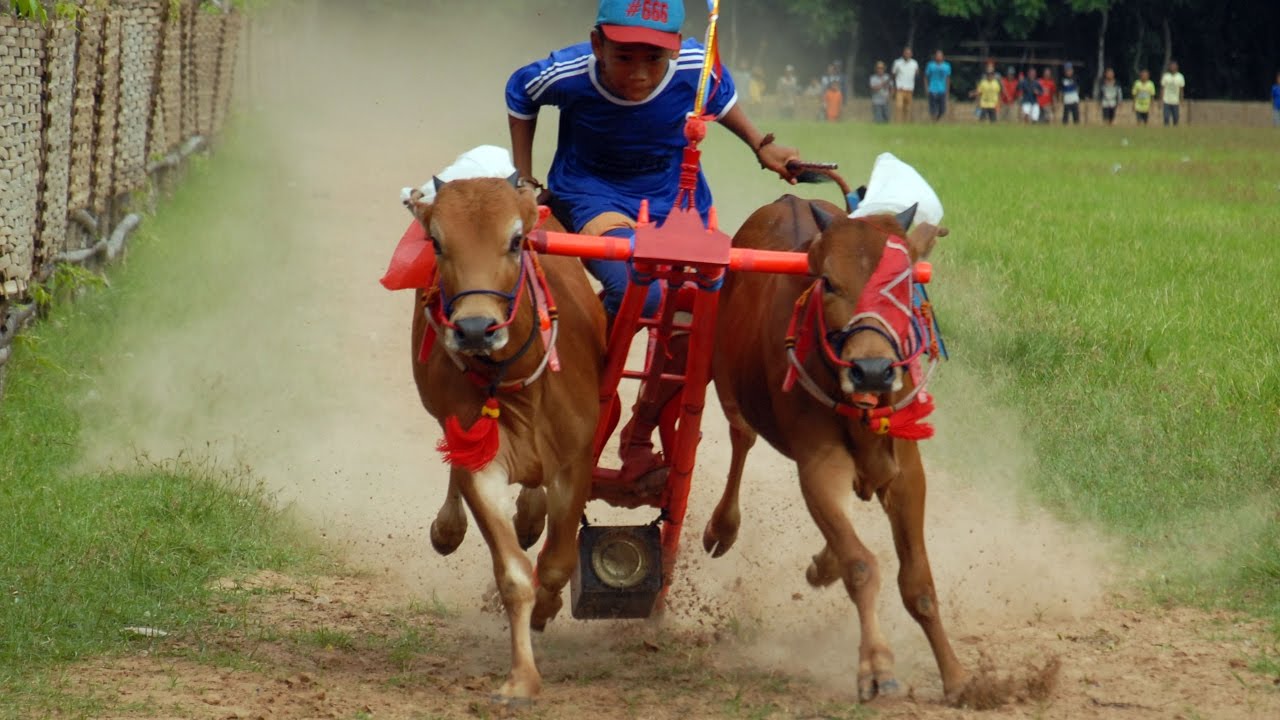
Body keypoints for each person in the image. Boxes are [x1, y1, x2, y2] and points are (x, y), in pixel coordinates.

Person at [506, 0, 800, 482]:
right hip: (592, 192)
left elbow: (720, 98)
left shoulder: (692, 66)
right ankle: (579, 384)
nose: (640, 73)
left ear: (677, 48)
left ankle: (641, 428)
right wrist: (523, 174)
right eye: (624, 58)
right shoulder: (567, 72)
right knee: (642, 288)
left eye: (653, 59)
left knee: (701, 310)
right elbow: (519, 90)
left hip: (675, 198)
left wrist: (761, 147)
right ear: (598, 43)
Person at [891, 46, 918, 123]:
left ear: (911, 54)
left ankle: (906, 123)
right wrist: (894, 86)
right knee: (899, 107)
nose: (907, 55)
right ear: (903, 54)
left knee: (908, 108)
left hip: (910, 89)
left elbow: (916, 74)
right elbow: (893, 75)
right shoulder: (897, 62)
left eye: (909, 53)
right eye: (906, 53)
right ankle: (898, 123)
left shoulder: (914, 63)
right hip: (900, 88)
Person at [925, 49, 951, 121]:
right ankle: (933, 121)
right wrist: (927, 88)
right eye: (937, 56)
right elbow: (926, 77)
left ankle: (936, 120)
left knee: (942, 110)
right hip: (932, 89)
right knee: (932, 108)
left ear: (943, 57)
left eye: (940, 56)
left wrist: (947, 90)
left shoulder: (947, 66)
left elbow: (948, 79)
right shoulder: (930, 65)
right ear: (935, 57)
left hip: (942, 90)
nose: (938, 57)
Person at [1161, 60, 1185, 126]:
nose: (1172, 67)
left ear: (1177, 67)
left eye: (1174, 66)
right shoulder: (1166, 76)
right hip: (1166, 101)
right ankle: (1166, 129)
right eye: (1171, 66)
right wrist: (1161, 100)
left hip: (1175, 101)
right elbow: (1162, 88)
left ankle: (1175, 131)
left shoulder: (1180, 77)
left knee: (1176, 118)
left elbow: (1181, 90)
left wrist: (1182, 100)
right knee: (1166, 117)